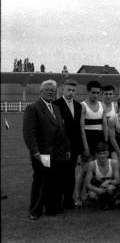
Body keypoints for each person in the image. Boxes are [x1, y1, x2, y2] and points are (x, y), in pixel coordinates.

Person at [23, 79, 70, 220]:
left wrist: (67, 148)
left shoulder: (56, 108)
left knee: (56, 181)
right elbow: (29, 134)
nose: (51, 92)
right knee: (41, 182)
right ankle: (35, 211)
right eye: (48, 90)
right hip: (42, 153)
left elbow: (62, 130)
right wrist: (35, 152)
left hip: (58, 153)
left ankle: (53, 209)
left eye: (53, 90)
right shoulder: (33, 108)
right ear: (41, 92)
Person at [53, 79, 83, 209]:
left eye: (73, 90)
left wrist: (81, 148)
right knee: (60, 174)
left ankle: (68, 201)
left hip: (75, 146)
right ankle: (57, 201)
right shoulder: (55, 104)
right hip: (60, 146)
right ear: (62, 90)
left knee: (71, 174)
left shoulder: (78, 106)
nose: (71, 93)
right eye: (68, 90)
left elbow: (78, 128)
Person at [76, 80, 108, 207]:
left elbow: (104, 126)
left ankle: (91, 195)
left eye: (97, 93)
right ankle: (78, 197)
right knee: (84, 171)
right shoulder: (82, 106)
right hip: (87, 142)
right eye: (93, 92)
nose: (95, 95)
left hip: (99, 142)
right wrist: (85, 147)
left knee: (96, 171)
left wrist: (106, 144)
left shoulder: (102, 106)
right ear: (88, 91)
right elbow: (81, 129)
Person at [85, 142, 120, 210]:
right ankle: (99, 202)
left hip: (109, 186)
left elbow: (118, 180)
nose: (102, 156)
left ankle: (110, 202)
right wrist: (96, 189)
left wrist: (108, 181)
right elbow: (87, 184)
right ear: (96, 154)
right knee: (92, 195)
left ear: (108, 153)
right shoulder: (92, 164)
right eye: (100, 153)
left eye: (104, 153)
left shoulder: (114, 163)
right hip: (97, 186)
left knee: (110, 189)